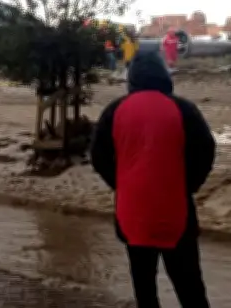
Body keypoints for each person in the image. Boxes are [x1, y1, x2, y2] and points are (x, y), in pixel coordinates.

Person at [90, 51, 215, 308]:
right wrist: (188, 185)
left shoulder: (114, 111)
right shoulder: (183, 109)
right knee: (190, 288)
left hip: (132, 212)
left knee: (144, 289)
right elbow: (205, 151)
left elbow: (98, 156)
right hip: (176, 211)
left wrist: (120, 183)